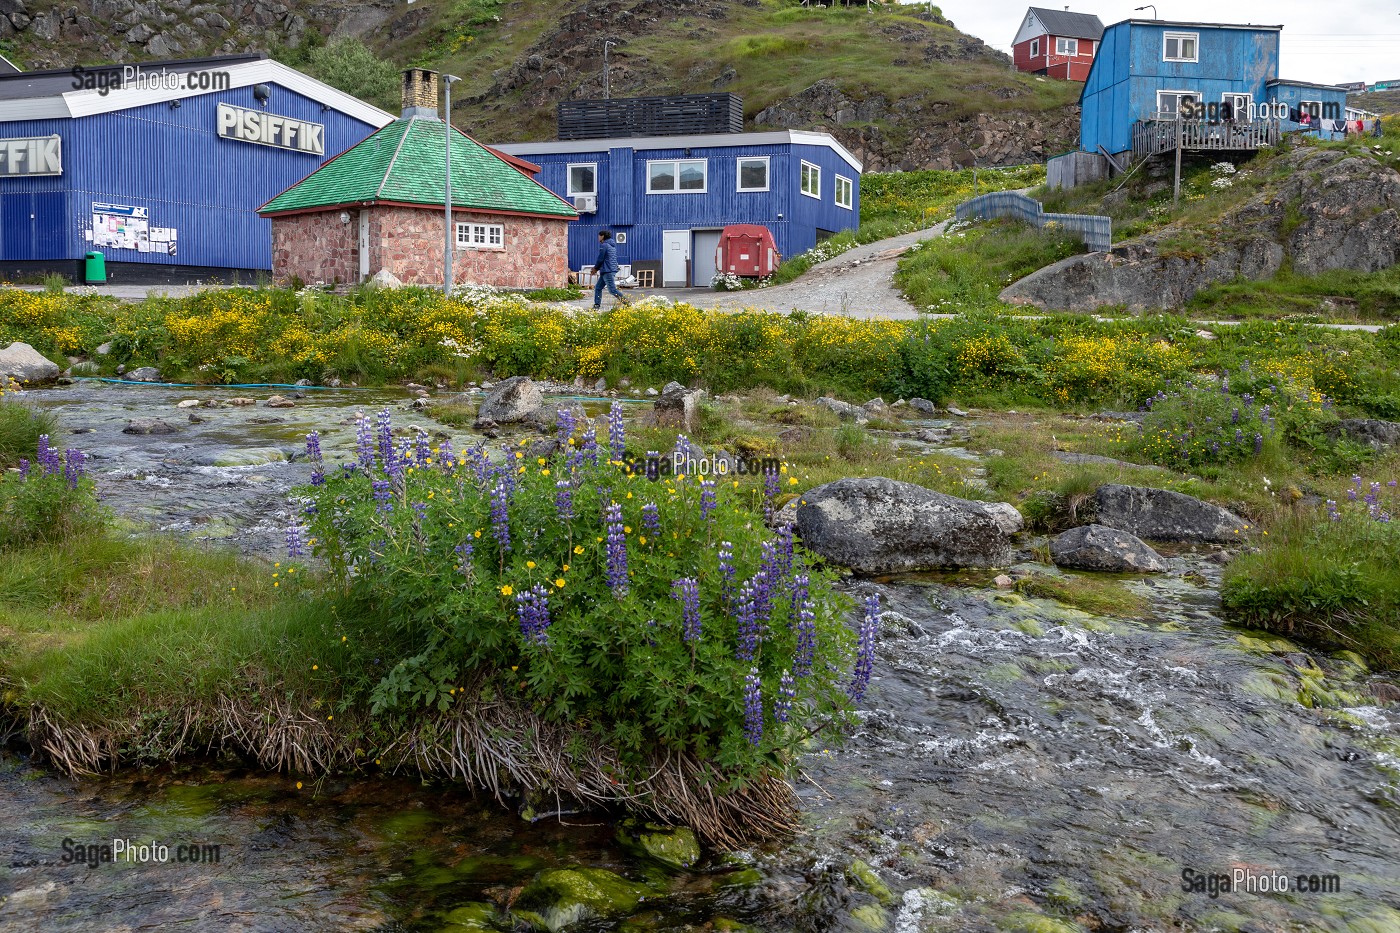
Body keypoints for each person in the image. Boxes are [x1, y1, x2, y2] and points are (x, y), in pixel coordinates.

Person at [591, 230, 629, 310]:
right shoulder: (611, 245)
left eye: (599, 236)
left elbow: (600, 259)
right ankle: (597, 305)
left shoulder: (604, 245)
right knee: (598, 287)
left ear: (602, 236)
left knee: (612, 290)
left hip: (607, 270)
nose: (598, 237)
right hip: (609, 269)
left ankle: (627, 303)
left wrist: (595, 268)